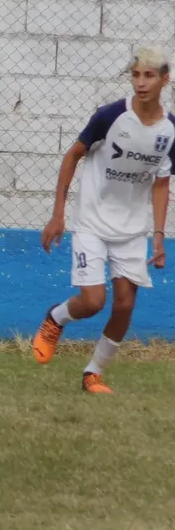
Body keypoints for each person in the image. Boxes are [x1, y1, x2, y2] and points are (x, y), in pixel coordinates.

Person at [33, 46, 174, 393]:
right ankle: (56, 317)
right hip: (92, 223)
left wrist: (158, 235)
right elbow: (72, 156)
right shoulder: (110, 116)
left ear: (165, 80)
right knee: (94, 301)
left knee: (124, 305)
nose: (141, 83)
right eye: (136, 75)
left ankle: (93, 373)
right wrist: (58, 215)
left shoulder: (170, 130)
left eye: (149, 75)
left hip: (131, 230)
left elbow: (161, 182)